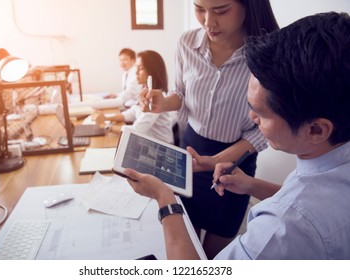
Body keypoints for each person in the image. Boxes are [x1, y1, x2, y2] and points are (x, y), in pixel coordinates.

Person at [125, 12, 350, 259]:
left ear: (316, 130)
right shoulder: (328, 163)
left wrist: (164, 197)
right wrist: (252, 185)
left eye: (261, 113)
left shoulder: (282, 228)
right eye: (199, 8)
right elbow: (303, 195)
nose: (252, 118)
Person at [140, 0, 279, 258]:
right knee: (183, 237)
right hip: (191, 151)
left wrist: (217, 160)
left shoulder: (267, 52)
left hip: (235, 161)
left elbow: (263, 128)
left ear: (249, 6)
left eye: (221, 10)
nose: (208, 22)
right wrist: (164, 102)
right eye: (199, 8)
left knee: (215, 255)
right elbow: (180, 93)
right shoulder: (186, 43)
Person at [93, 50, 175, 144]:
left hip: (161, 148)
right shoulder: (146, 92)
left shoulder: (156, 98)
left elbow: (136, 131)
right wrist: (106, 118)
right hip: (148, 142)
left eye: (140, 68)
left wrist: (105, 126)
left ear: (152, 71)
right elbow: (132, 113)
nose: (136, 72)